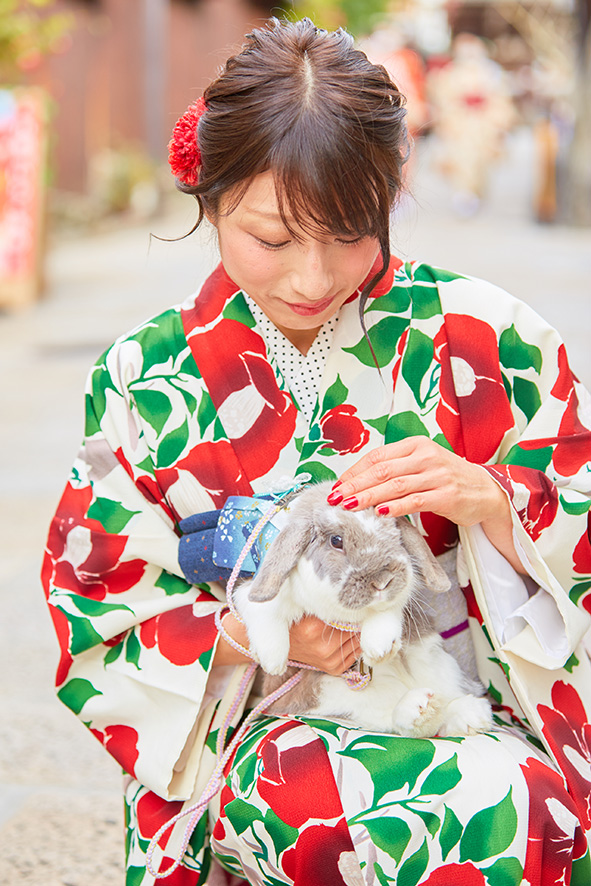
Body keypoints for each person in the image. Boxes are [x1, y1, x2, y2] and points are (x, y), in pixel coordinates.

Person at [41, 17, 591, 886]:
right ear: (209, 196)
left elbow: (572, 510)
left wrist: (494, 505)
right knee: (320, 808)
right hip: (260, 725)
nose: (312, 278)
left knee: (509, 806)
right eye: (272, 239)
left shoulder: (488, 337)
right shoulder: (143, 374)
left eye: (349, 233)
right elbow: (100, 602)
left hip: (465, 701)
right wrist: (254, 633)